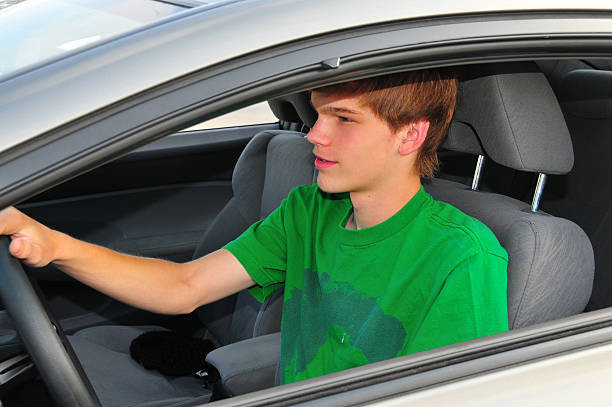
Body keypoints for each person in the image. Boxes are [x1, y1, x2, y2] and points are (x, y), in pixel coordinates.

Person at [0, 69, 508, 385]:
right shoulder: (311, 210)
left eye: (343, 119)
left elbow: (451, 395)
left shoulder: (462, 257)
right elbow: (185, 287)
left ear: (410, 135)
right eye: (316, 115)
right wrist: (54, 246)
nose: (315, 135)